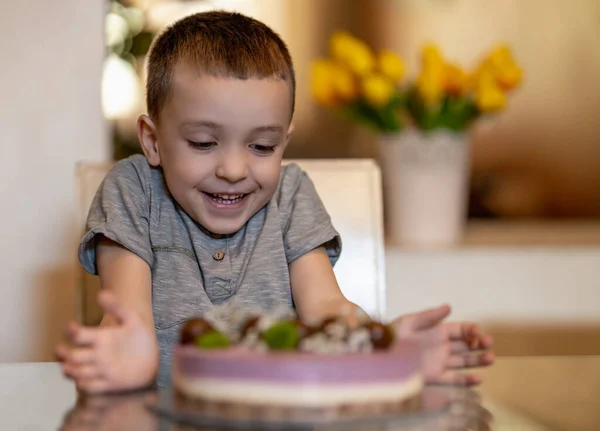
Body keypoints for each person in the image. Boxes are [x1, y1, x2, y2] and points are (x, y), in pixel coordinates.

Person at [56, 10, 494, 394]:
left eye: (262, 147)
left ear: (284, 141)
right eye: (204, 142)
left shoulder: (291, 193)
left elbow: (326, 308)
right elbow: (127, 317)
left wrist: (384, 347)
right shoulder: (132, 190)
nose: (233, 168)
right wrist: (127, 353)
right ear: (153, 141)